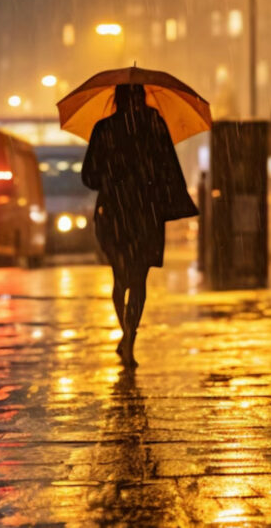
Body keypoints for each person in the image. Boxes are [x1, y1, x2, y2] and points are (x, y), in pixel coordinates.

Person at [82, 84, 197, 367]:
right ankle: (130, 337)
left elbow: (89, 176)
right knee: (139, 279)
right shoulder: (155, 124)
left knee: (120, 277)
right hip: (146, 213)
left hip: (114, 212)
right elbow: (170, 168)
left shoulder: (105, 128)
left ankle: (126, 333)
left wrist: (112, 178)